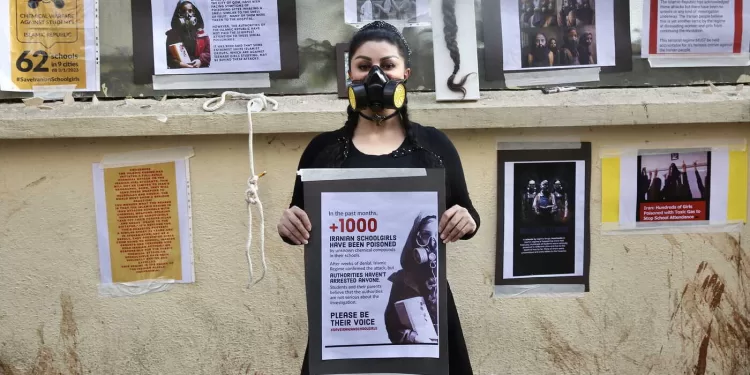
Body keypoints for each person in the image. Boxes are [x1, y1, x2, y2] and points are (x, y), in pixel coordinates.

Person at [276, 20, 481, 375]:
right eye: (363, 65)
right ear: (350, 73)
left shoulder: (435, 146)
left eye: (387, 65)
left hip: (427, 312)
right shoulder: (322, 150)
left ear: (405, 74)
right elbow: (300, 223)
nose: (375, 75)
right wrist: (287, 225)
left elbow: (469, 216)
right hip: (344, 324)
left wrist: (465, 219)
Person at [166, 0, 210, 69]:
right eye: (184, 11)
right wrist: (179, 64)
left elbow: (208, 53)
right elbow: (168, 57)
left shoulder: (202, 34)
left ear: (194, 13)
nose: (187, 15)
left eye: (190, 11)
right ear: (179, 13)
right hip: (180, 71)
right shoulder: (172, 35)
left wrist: (200, 61)